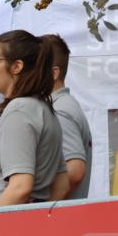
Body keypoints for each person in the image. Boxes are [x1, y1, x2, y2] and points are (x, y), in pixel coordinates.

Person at [0, 30, 68, 208]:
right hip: (23, 224)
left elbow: (20, 187)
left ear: (17, 66)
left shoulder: (19, 110)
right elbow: (62, 183)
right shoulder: (43, 108)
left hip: (0, 227)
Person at [42, 33, 93, 200]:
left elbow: (75, 171)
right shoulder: (63, 106)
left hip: (56, 220)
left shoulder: (59, 110)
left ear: (54, 73)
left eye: (33, 67)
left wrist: (40, 209)